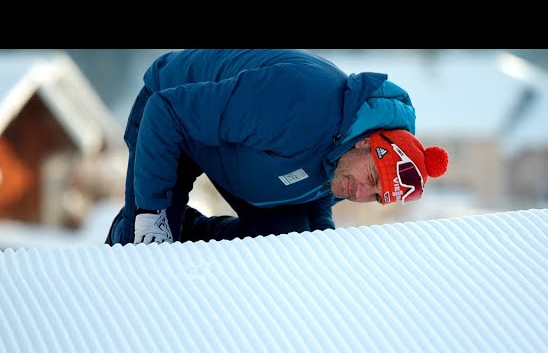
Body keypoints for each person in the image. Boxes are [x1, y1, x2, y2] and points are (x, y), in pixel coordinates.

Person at [105, 49, 449, 246]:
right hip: (171, 118)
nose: (361, 193)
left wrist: (319, 243)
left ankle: (188, 240)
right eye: (372, 178)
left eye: (375, 197)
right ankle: (130, 230)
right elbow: (167, 111)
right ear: (365, 142)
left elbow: (312, 200)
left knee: (288, 241)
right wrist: (152, 214)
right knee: (146, 247)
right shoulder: (298, 102)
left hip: (237, 148)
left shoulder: (349, 164)